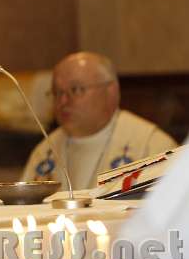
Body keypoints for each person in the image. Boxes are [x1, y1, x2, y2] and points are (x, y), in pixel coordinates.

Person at [22, 51, 176, 189]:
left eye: (76, 90)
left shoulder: (151, 146)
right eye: (57, 93)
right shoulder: (44, 152)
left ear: (111, 92)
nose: (63, 101)